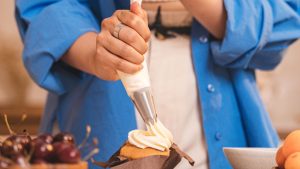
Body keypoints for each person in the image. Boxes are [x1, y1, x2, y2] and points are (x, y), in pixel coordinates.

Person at [15, 0, 300, 168]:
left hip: (229, 119)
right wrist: (96, 53)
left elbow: (285, 17)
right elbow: (43, 7)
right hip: (97, 111)